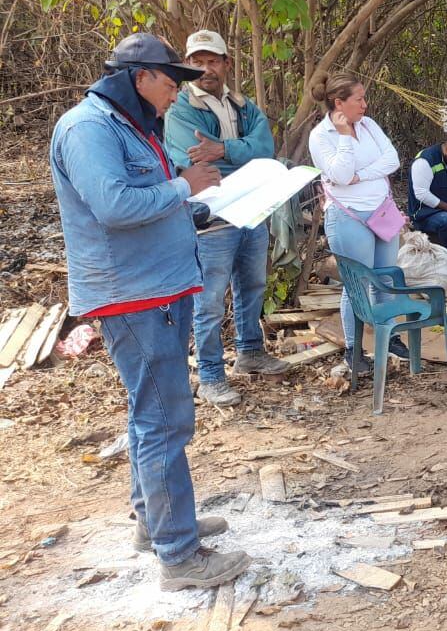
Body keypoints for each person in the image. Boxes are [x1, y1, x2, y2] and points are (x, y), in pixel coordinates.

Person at [50, 33, 250, 590]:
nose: (174, 95)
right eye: (170, 82)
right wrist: (183, 185)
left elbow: (152, 201)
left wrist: (195, 202)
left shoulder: (132, 125)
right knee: (164, 420)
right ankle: (180, 556)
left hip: (158, 287)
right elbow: (115, 206)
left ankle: (152, 522)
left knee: (150, 414)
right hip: (134, 295)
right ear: (140, 78)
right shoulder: (89, 128)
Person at [163, 29, 289, 406]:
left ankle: (250, 351)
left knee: (252, 284)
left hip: (252, 209)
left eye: (212, 61)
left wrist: (223, 149)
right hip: (213, 215)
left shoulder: (243, 105)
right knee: (211, 298)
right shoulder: (181, 107)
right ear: (187, 65)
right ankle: (211, 374)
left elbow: (265, 147)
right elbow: (192, 158)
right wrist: (239, 156)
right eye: (197, 62)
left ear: (226, 64)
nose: (205, 69)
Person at [307, 71, 408, 375]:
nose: (365, 104)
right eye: (359, 99)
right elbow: (338, 174)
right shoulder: (321, 135)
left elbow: (393, 159)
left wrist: (361, 175)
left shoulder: (369, 125)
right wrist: (344, 139)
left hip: (380, 210)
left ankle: (390, 336)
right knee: (357, 284)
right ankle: (354, 348)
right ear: (339, 103)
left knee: (386, 278)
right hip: (349, 214)